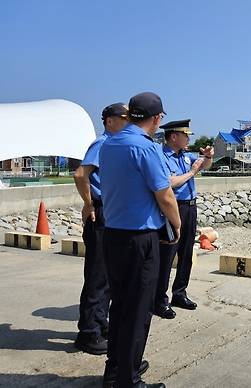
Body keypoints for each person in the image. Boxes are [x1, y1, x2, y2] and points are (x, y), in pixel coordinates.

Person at [99, 91, 180, 388]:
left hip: (113, 235)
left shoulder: (110, 143)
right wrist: (177, 225)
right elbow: (165, 194)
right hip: (140, 239)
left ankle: (116, 369)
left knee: (119, 305)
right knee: (138, 310)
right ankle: (128, 380)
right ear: (157, 119)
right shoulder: (147, 148)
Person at [73, 102, 127, 355]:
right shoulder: (103, 143)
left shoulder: (115, 145)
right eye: (124, 117)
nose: (128, 122)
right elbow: (80, 174)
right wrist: (88, 203)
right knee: (97, 275)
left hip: (112, 212)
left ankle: (99, 324)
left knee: (107, 277)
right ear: (109, 121)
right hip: (101, 213)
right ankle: (88, 334)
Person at [154, 119, 213, 319]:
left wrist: (207, 157)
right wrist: (192, 172)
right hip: (174, 207)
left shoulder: (185, 156)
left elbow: (203, 165)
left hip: (190, 207)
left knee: (186, 253)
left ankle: (179, 293)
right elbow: (170, 182)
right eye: (185, 135)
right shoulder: (162, 156)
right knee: (167, 255)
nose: (188, 139)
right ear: (173, 137)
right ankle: (159, 300)